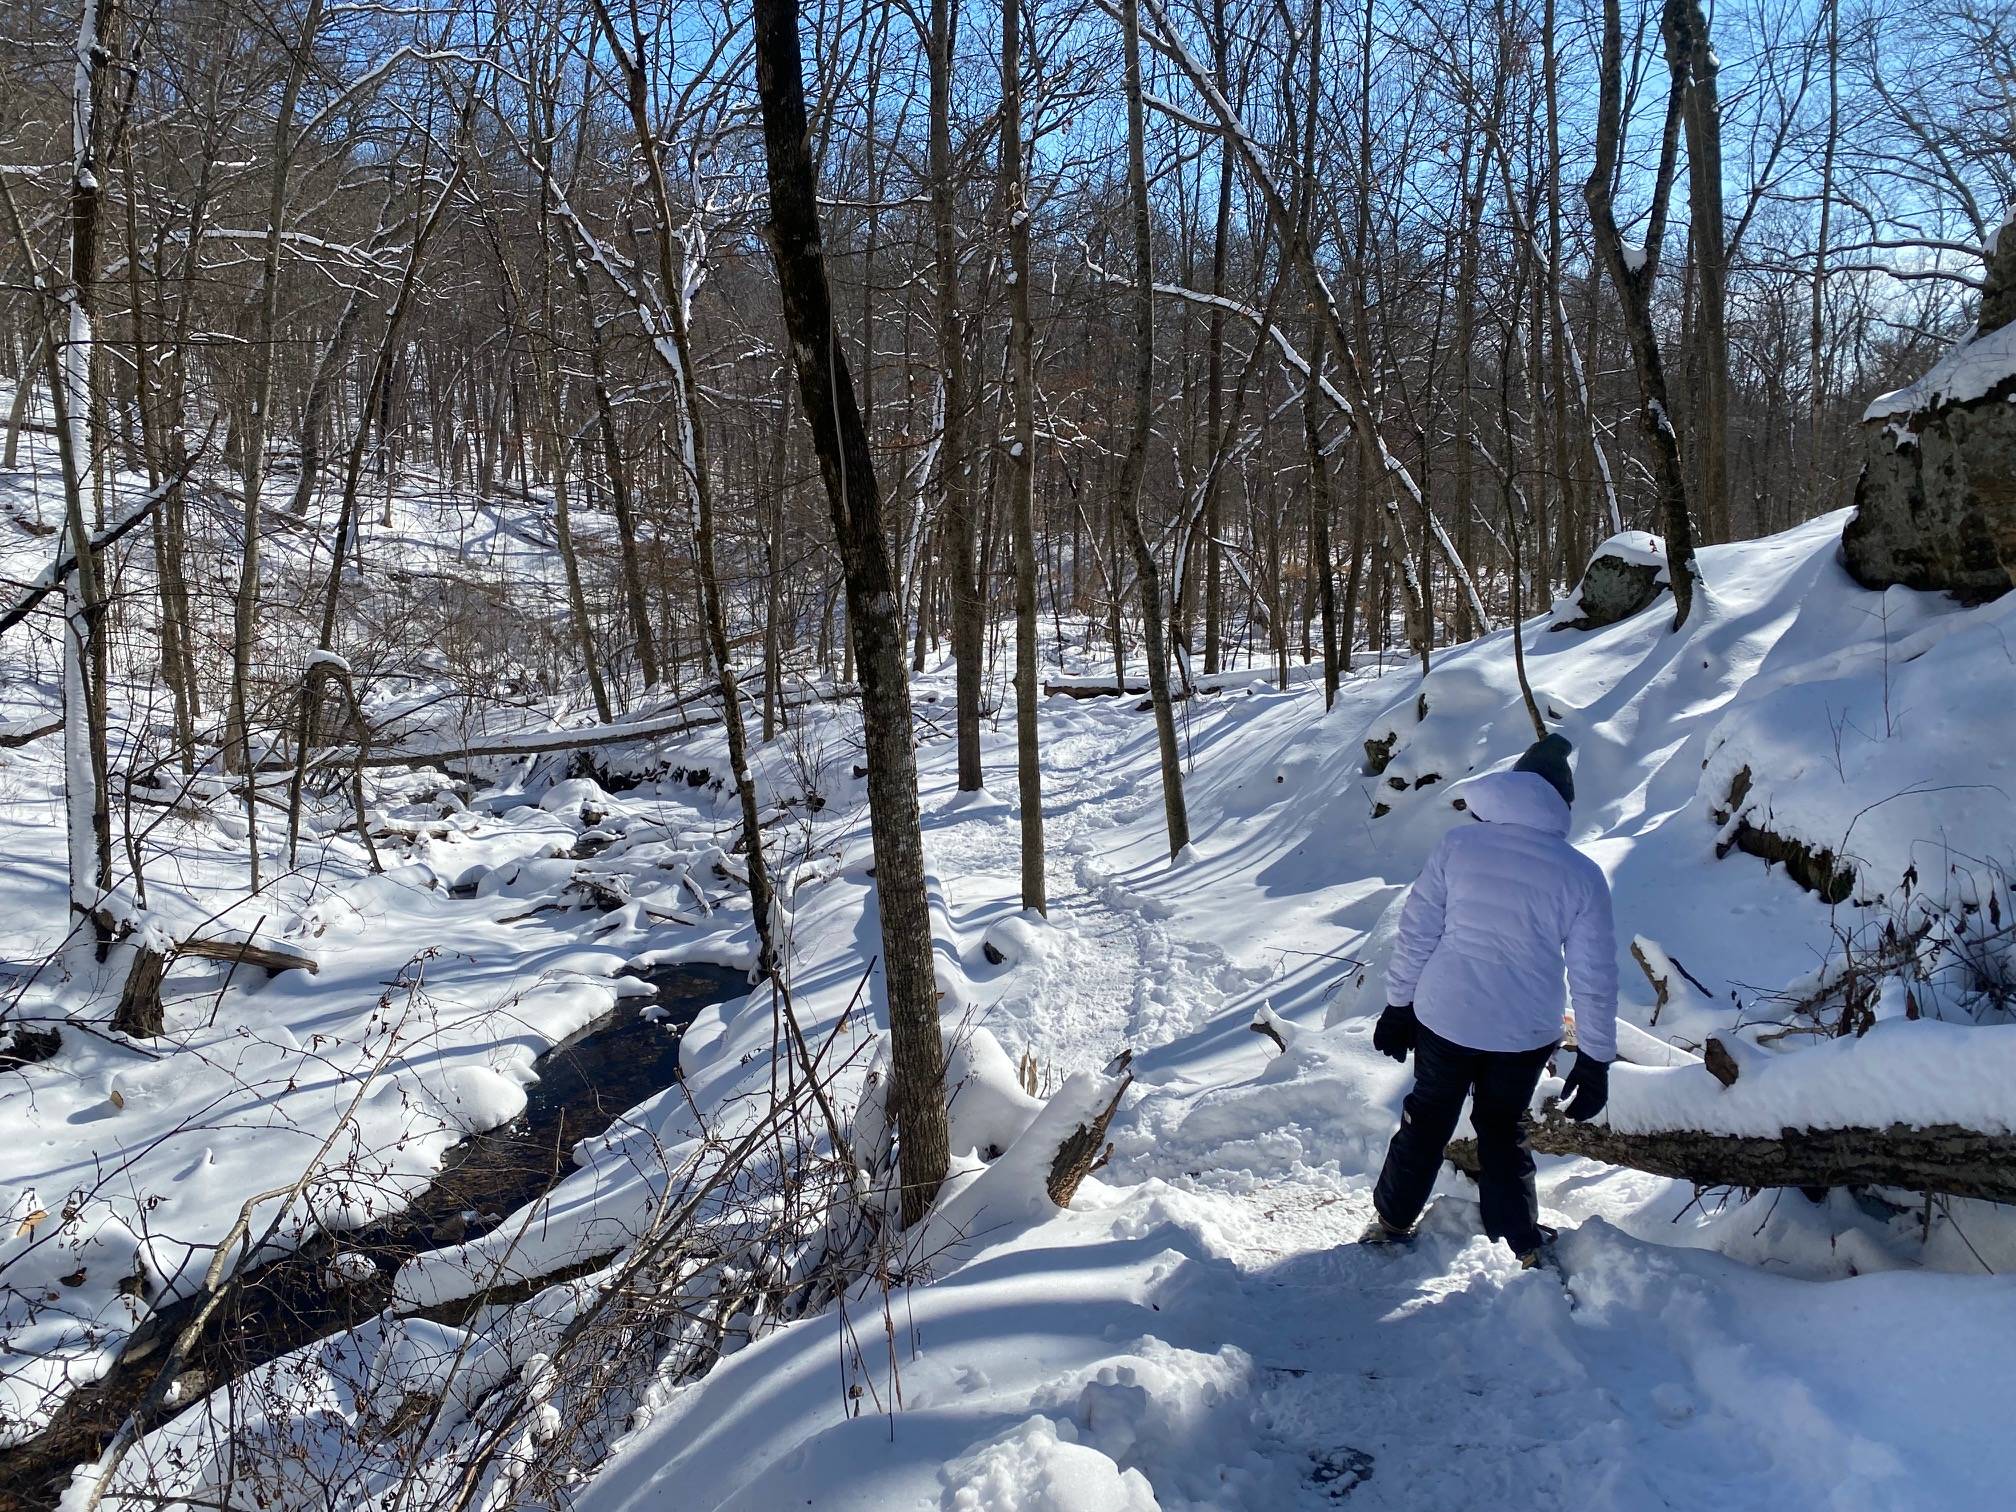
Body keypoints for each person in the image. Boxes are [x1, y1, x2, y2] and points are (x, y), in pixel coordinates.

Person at [1360, 733, 1617, 1268]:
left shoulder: (1459, 846)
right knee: (1503, 1131)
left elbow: (1417, 932)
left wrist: (1398, 1004)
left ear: (1509, 790)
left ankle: (1389, 1223)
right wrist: (1594, 1059)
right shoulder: (1581, 874)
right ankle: (1521, 1244)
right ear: (1561, 805)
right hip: (1523, 1034)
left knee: (1427, 1118)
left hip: (1445, 1016)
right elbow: (1594, 977)